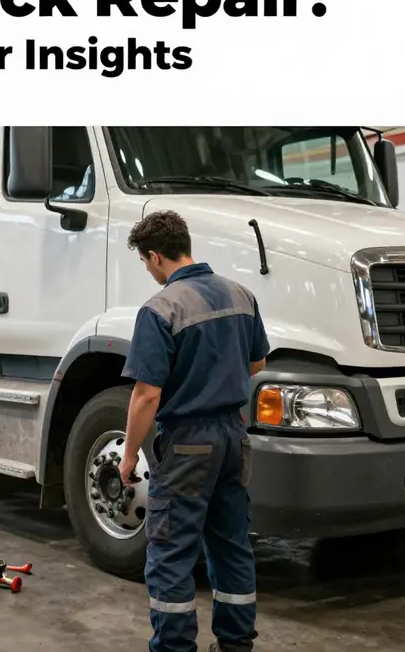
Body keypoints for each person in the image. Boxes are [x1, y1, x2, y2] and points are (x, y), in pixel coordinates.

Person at [118, 210, 269, 652]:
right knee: (231, 546)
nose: (148, 271)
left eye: (146, 263)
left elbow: (147, 395)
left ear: (156, 255)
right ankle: (237, 643)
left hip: (187, 443)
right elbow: (258, 363)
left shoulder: (161, 308)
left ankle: (175, 647)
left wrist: (129, 455)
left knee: (171, 552)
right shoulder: (240, 294)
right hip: (233, 438)